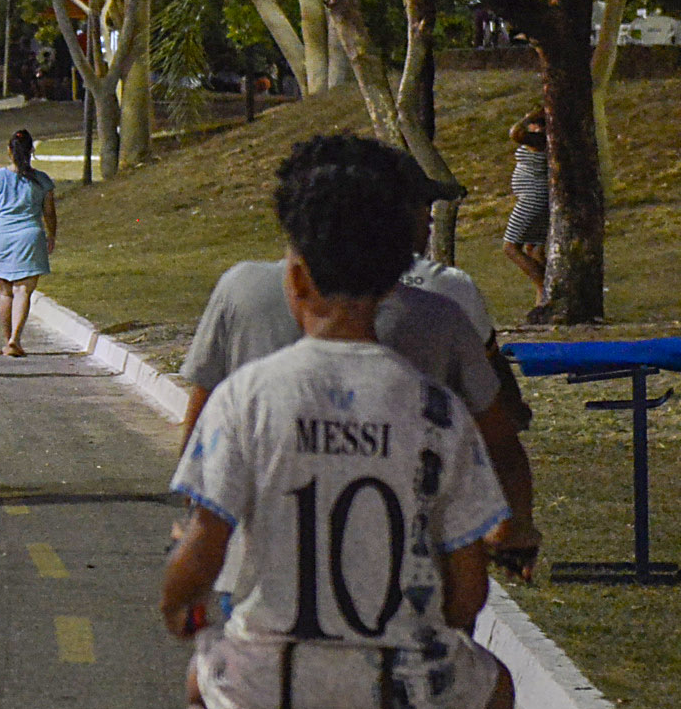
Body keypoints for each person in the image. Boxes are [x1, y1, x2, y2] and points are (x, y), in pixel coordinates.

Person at [160, 138, 518, 709]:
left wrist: (180, 607)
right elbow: (470, 583)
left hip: (272, 672)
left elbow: (201, 553)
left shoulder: (251, 399)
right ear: (399, 283)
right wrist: (444, 635)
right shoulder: (434, 410)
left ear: (295, 280)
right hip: (402, 680)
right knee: (499, 702)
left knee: (198, 702)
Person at [176, 136, 543, 574]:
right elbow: (500, 442)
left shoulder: (240, 296)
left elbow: (199, 441)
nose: (428, 219)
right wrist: (514, 528)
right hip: (404, 589)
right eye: (420, 208)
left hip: (263, 586)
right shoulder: (442, 316)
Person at [0, 128, 57, 357]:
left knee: (5, 292)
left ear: (9, 151)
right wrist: (52, 235)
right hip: (30, 236)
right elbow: (49, 213)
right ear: (31, 151)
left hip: (1, 236)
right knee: (23, 290)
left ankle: (7, 340)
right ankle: (15, 339)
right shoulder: (42, 180)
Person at [500, 106, 551, 318]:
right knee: (535, 250)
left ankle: (546, 289)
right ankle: (541, 302)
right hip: (534, 196)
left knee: (511, 248)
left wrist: (529, 117)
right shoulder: (539, 140)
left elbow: (515, 133)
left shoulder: (539, 141)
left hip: (533, 198)